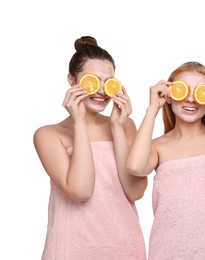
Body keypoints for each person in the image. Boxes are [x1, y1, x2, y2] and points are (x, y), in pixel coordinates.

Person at [33, 36, 147, 259]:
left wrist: (117, 127)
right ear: (71, 80)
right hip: (71, 250)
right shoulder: (48, 135)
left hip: (126, 248)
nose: (102, 91)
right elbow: (80, 190)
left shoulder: (126, 125)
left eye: (109, 82)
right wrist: (80, 123)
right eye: (92, 81)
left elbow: (136, 191)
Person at [127, 61, 205, 259]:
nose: (190, 99)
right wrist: (153, 109)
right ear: (169, 97)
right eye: (182, 90)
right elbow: (135, 166)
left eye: (200, 92)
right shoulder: (158, 146)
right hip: (168, 253)